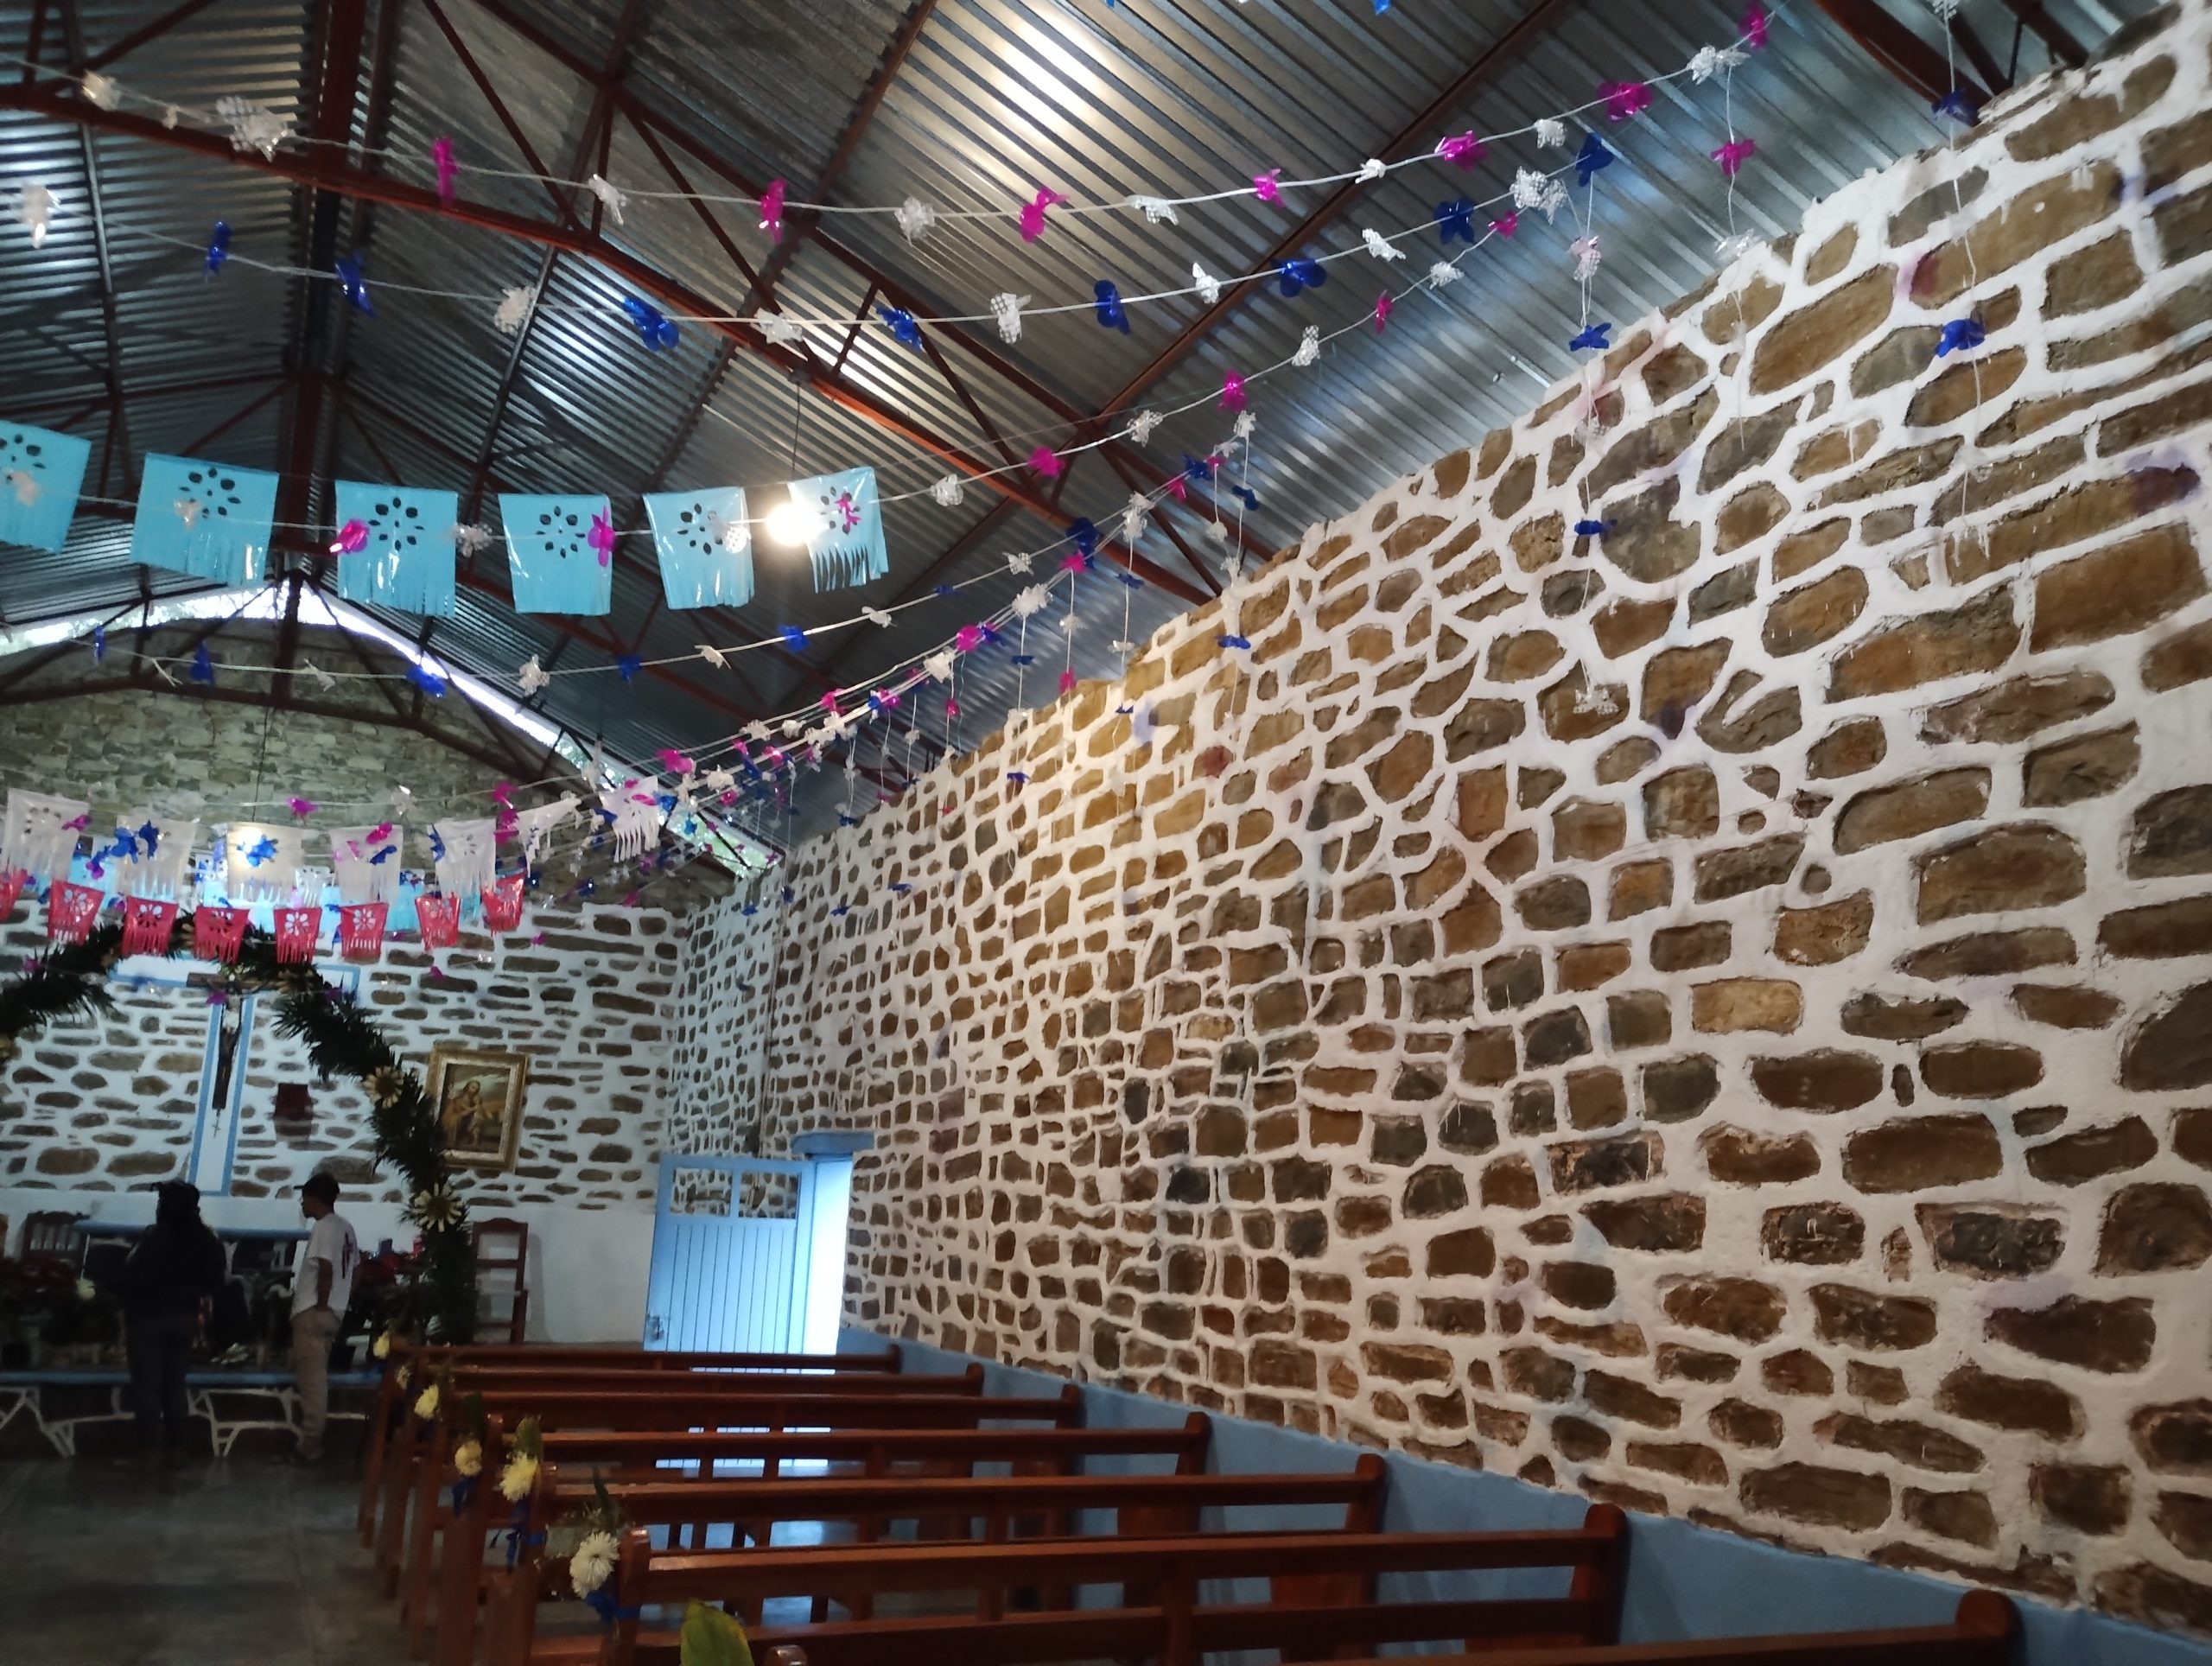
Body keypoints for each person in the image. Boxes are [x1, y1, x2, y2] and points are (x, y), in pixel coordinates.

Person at [121, 1180, 226, 1468]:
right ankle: (177, 1449)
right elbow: (216, 1280)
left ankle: (148, 1452)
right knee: (175, 1385)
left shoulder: (155, 1238)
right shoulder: (206, 1239)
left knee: (148, 1386)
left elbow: (134, 1276)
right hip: (185, 1318)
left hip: (149, 1318)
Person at [289, 1170, 359, 1464]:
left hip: (314, 1313)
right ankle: (310, 1442)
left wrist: (320, 1306)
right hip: (336, 1313)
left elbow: (326, 1268)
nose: (302, 1204)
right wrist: (341, 1303)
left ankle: (310, 1446)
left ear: (314, 1198)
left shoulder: (323, 1227)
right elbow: (356, 1270)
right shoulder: (347, 1228)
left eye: (304, 1198)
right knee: (316, 1377)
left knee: (312, 1383)